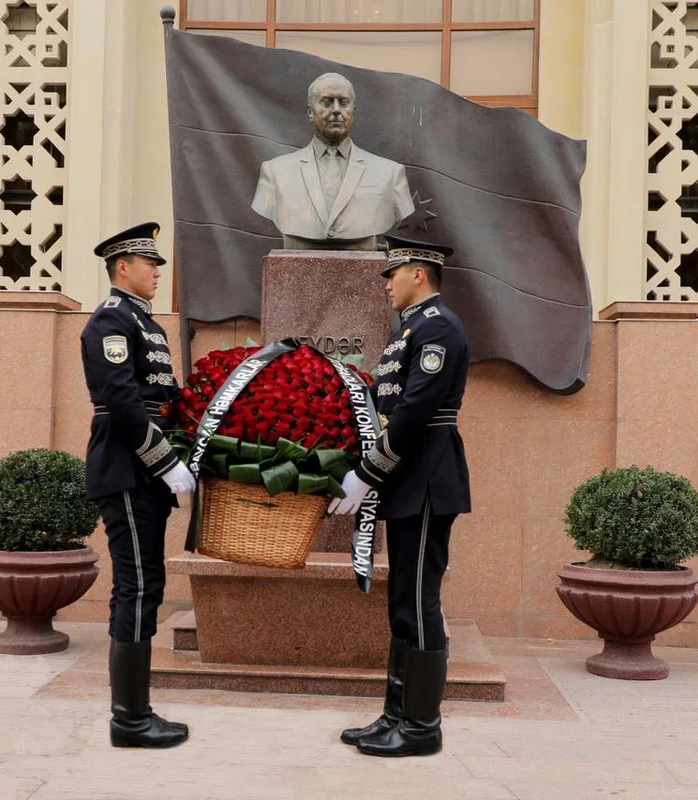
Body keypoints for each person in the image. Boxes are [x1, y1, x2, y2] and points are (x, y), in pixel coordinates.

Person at [329, 234, 471, 757]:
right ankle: (396, 714)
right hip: (411, 478)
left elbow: (412, 413)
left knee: (419, 600)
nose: (386, 283)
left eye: (393, 272)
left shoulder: (437, 329)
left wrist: (369, 471)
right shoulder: (411, 329)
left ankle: (421, 727)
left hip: (429, 477)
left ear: (419, 272)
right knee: (402, 603)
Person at [81, 221, 196, 749]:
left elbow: (163, 395)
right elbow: (124, 404)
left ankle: (136, 711)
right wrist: (165, 461)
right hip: (128, 468)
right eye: (150, 264)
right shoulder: (109, 321)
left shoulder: (146, 324)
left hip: (143, 471)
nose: (156, 272)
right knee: (137, 586)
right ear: (122, 267)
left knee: (146, 584)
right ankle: (128, 719)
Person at [251, 72, 414, 251]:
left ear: (353, 111)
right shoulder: (275, 172)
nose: (336, 110)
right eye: (327, 102)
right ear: (310, 112)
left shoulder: (390, 173)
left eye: (343, 102)